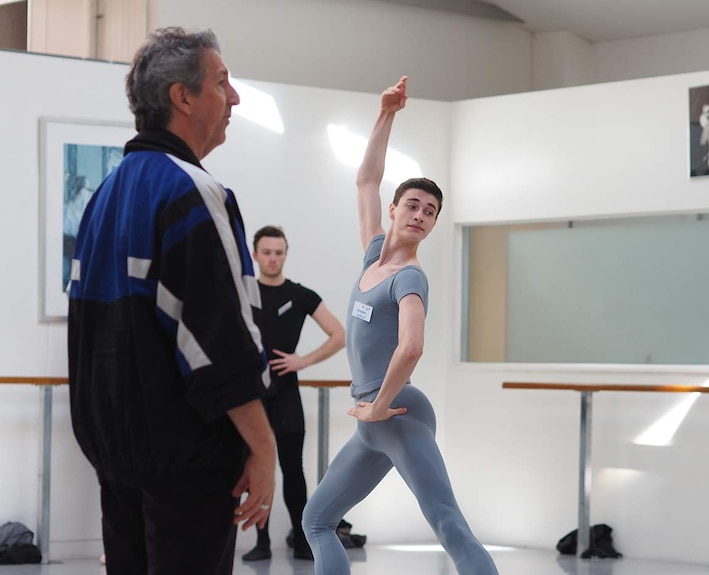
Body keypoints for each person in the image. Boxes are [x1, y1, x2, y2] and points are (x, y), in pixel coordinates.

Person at [67, 27, 276, 575]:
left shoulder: (105, 195)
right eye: (223, 83)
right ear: (182, 97)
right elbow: (219, 338)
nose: (234, 99)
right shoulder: (194, 192)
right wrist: (263, 448)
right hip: (187, 462)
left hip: (118, 457)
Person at [301, 76, 499, 575]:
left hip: (400, 414)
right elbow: (367, 179)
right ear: (393, 211)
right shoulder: (373, 257)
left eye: (430, 212)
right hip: (373, 421)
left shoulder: (410, 279)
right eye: (412, 204)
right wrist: (386, 113)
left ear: (432, 227)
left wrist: (381, 407)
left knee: (448, 523)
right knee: (318, 520)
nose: (420, 214)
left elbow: (411, 347)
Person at [242, 225, 346, 562]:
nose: (273, 259)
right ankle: (261, 543)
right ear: (255, 254)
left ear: (285, 254)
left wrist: (304, 361)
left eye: (279, 253)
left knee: (292, 469)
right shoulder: (241, 293)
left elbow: (338, 334)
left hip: (286, 394)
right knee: (257, 467)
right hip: (251, 395)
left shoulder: (301, 295)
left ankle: (303, 542)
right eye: (267, 252)